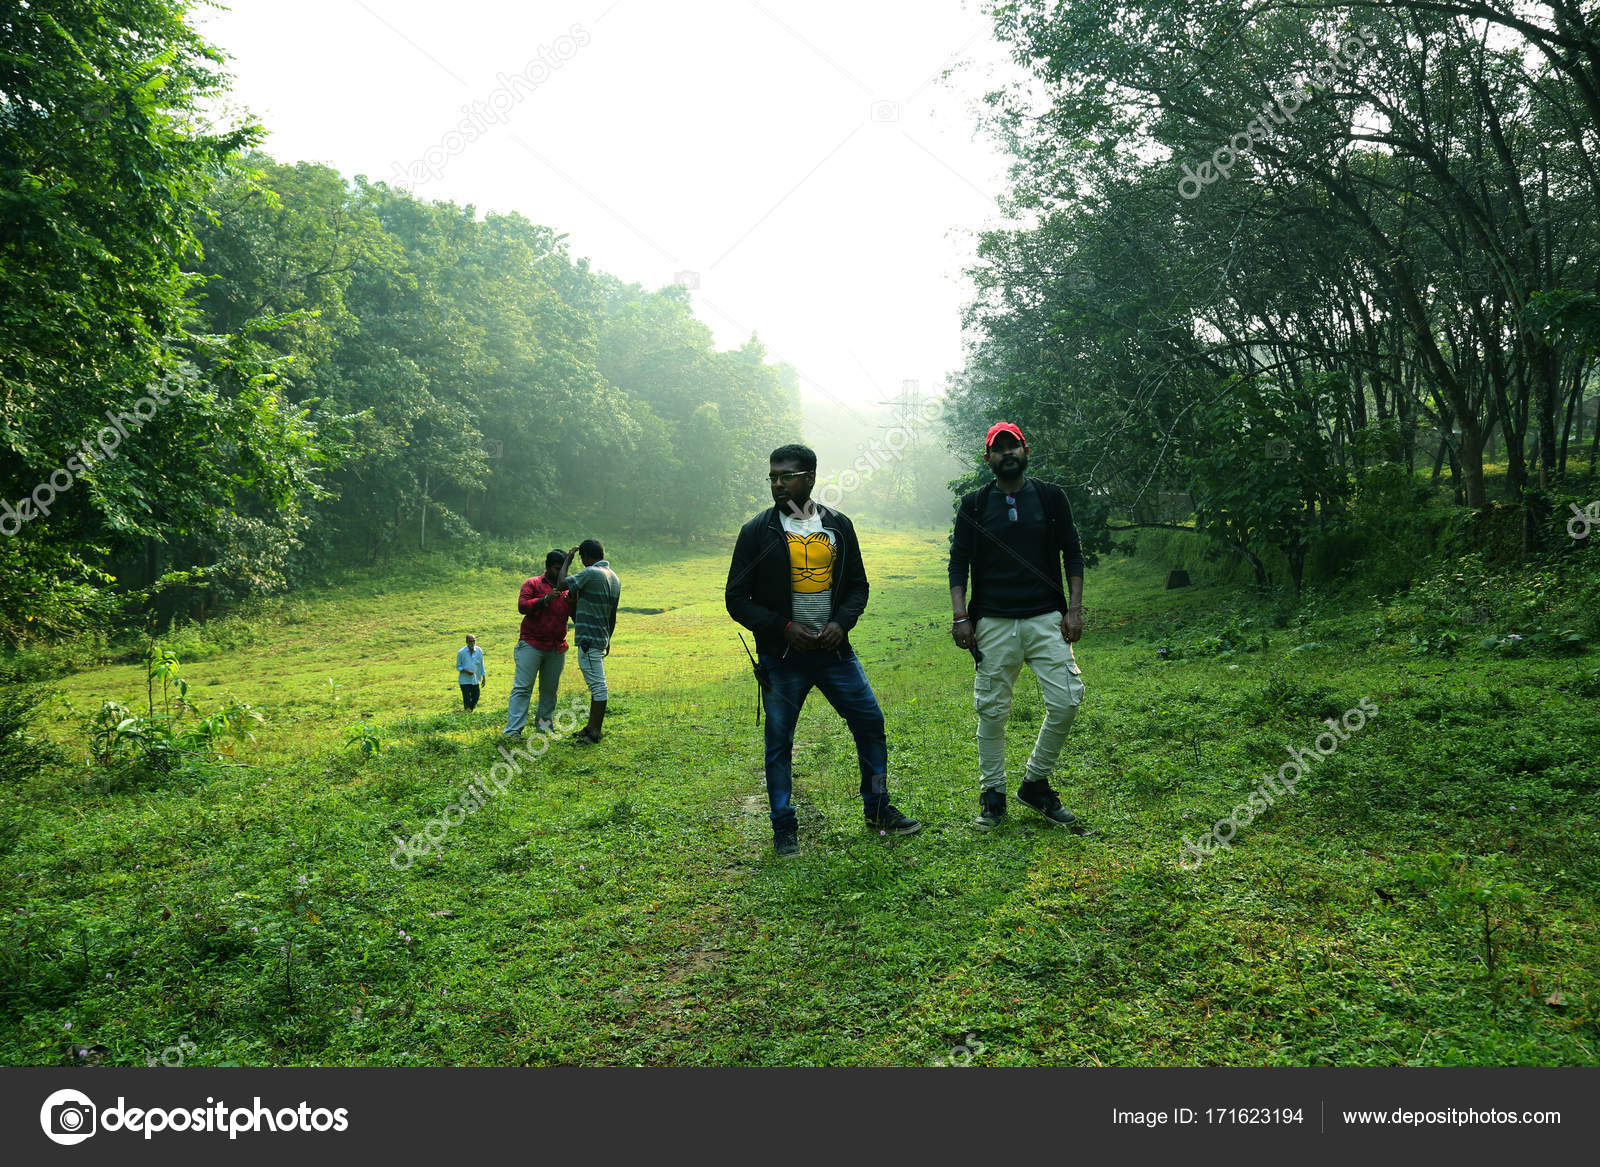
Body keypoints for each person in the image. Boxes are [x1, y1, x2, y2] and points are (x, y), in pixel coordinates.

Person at [725, 443, 920, 857]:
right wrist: (783, 628)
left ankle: (878, 808)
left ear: (810, 478)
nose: (777, 484)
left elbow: (858, 587)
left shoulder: (838, 526)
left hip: (835, 654)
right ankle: (783, 827)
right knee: (778, 742)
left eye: (786, 475)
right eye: (772, 477)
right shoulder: (757, 532)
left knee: (870, 723)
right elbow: (736, 598)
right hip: (782, 660)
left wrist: (840, 624)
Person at [948, 422, 1093, 835]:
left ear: (1026, 450)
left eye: (1014, 447)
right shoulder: (974, 505)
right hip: (992, 622)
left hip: (1047, 618)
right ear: (988, 458)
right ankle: (992, 795)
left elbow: (1073, 555)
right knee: (991, 712)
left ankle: (1035, 783)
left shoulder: (1050, 497)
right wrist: (961, 617)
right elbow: (959, 563)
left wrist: (1075, 611)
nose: (1007, 453)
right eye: (999, 448)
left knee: (1067, 699)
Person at [504, 549, 574, 738]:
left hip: (557, 646)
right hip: (531, 644)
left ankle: (544, 727)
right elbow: (522, 606)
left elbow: (574, 615)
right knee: (523, 687)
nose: (561, 574)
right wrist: (545, 599)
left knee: (549, 690)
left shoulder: (568, 588)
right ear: (548, 567)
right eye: (557, 569)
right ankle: (513, 732)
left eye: (563, 570)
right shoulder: (532, 583)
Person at [560, 538, 620, 744]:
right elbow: (612, 614)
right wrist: (608, 638)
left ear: (585, 556)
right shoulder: (614, 578)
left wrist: (567, 559)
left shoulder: (591, 573)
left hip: (589, 640)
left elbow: (561, 584)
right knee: (596, 684)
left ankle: (594, 732)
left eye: (580, 557)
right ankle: (590, 727)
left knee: (598, 686)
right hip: (601, 637)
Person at [456, 633, 486, 712]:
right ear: (466, 641)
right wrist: (466, 671)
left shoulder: (479, 650)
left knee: (476, 696)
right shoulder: (461, 652)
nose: (472, 643)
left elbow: (481, 664)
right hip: (464, 680)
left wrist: (484, 677)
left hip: (475, 679)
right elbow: (458, 666)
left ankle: (469, 712)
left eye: (473, 641)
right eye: (470, 641)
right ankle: (468, 713)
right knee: (467, 699)